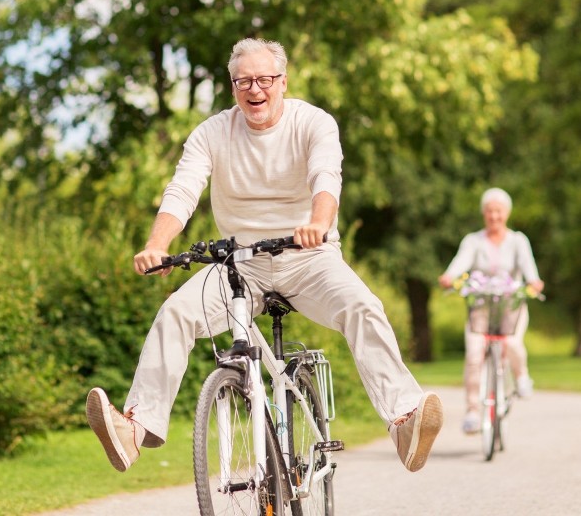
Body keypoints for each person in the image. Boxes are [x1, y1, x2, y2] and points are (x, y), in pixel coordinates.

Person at [85, 38, 443, 474]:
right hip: (239, 264)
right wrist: (156, 245)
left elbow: (326, 177)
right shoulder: (212, 132)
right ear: (233, 86)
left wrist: (318, 222)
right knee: (175, 312)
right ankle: (134, 430)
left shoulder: (313, 122)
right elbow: (182, 190)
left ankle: (404, 420)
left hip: (309, 257)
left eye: (264, 79)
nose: (255, 89)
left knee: (363, 306)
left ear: (283, 82)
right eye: (244, 81)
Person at [437, 187, 544, 434]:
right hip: (481, 307)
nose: (494, 216)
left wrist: (534, 282)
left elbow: (530, 269)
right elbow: (460, 262)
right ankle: (473, 412)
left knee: (512, 343)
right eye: (489, 211)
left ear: (506, 213)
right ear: (484, 214)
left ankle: (521, 376)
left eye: (498, 211)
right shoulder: (473, 241)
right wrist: (449, 276)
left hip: (511, 306)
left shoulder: (518, 241)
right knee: (474, 353)